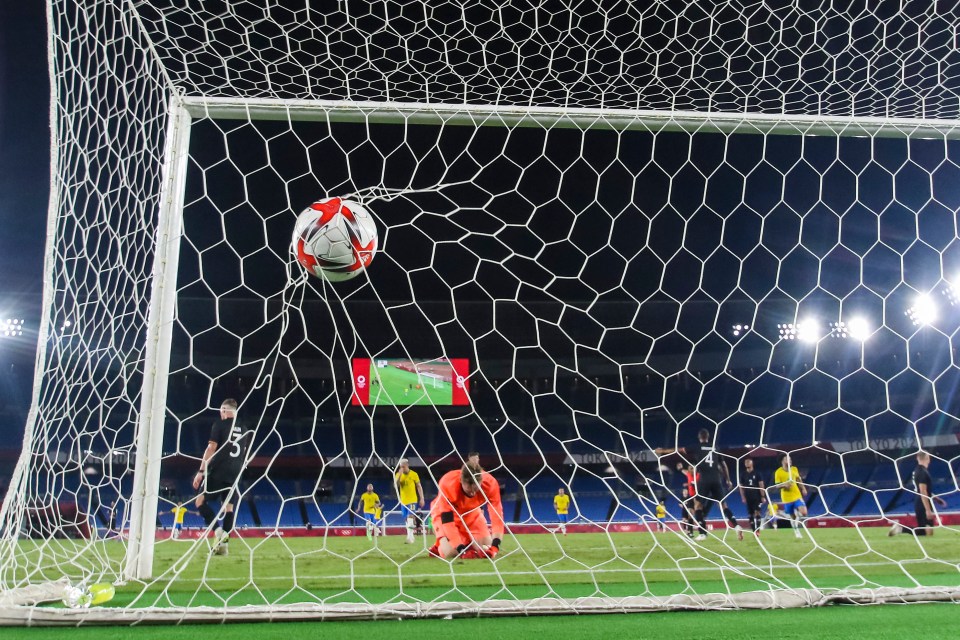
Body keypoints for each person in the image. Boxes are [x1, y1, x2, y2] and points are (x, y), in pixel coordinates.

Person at [657, 429, 742, 541]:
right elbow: (724, 465)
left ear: (699, 437)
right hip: (717, 479)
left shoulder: (696, 447)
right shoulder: (715, 448)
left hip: (704, 480)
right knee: (723, 506)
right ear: (708, 437)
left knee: (697, 506)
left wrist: (663, 451)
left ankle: (702, 533)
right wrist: (728, 480)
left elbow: (679, 450)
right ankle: (736, 526)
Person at [192, 398, 252, 556]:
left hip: (219, 469)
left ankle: (218, 531)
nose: (220, 413)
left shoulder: (220, 425)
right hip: (235, 472)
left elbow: (211, 448)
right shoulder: (245, 428)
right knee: (229, 508)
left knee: (199, 501)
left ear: (225, 410)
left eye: (221, 410)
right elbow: (244, 452)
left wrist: (201, 471)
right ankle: (224, 545)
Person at [428, 461, 504, 560]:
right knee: (450, 553)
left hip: (471, 513)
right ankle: (438, 545)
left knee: (486, 547)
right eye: (469, 489)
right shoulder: (447, 483)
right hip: (445, 513)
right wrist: (461, 550)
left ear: (481, 481)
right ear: (461, 480)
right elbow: (448, 522)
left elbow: (497, 517)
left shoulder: (490, 484)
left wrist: (495, 547)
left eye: (476, 488)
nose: (472, 493)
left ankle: (466, 542)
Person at [889, 451, 947, 537]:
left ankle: (901, 529)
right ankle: (901, 528)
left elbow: (925, 490)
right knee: (925, 532)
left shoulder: (918, 470)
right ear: (928, 459)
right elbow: (923, 491)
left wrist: (936, 499)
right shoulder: (922, 472)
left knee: (928, 532)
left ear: (917, 458)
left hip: (921, 500)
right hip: (922, 502)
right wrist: (928, 510)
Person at [770, 453, 807, 539]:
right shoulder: (778, 472)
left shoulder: (794, 469)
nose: (790, 460)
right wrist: (785, 485)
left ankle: (797, 513)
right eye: (787, 459)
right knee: (792, 517)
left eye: (790, 459)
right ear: (782, 461)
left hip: (797, 495)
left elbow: (798, 479)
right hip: (786, 498)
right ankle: (796, 530)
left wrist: (803, 488)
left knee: (804, 512)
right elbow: (777, 485)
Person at [395, 458, 425, 544]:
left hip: (412, 500)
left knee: (410, 517)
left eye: (403, 467)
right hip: (403, 501)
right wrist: (399, 476)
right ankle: (410, 536)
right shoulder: (398, 475)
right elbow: (396, 486)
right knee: (406, 520)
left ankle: (410, 537)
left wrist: (422, 498)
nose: (402, 468)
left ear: (407, 465)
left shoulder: (414, 474)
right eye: (400, 467)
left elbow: (419, 486)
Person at [739, 457, 766, 535]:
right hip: (748, 496)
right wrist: (743, 497)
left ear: (752, 463)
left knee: (757, 512)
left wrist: (763, 496)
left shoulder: (757, 473)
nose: (747, 463)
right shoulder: (743, 474)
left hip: (756, 496)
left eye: (748, 462)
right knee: (750, 514)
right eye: (745, 462)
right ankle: (754, 530)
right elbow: (741, 487)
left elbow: (761, 485)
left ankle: (758, 530)